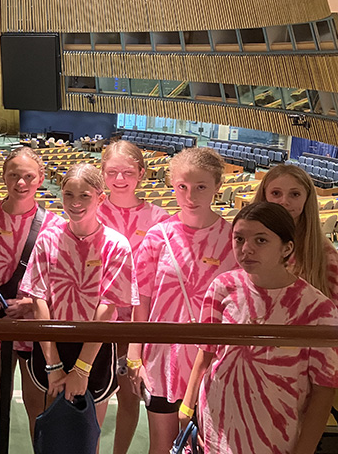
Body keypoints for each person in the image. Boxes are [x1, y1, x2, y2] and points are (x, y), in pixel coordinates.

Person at [180, 202, 338, 454]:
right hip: (216, 422)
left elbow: (323, 390)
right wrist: (187, 406)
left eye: (261, 240)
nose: (246, 249)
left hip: (275, 431)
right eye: (239, 238)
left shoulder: (317, 309)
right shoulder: (222, 287)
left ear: (287, 248)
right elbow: (207, 353)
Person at [128, 147, 238, 454]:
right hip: (162, 360)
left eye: (201, 187)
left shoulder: (233, 240)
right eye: (182, 187)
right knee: (161, 446)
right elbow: (143, 298)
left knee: (205, 447)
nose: (190, 196)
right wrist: (134, 355)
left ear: (217, 186)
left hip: (211, 362)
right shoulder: (157, 236)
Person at [23, 163, 134, 450]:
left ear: (100, 196)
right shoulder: (47, 239)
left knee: (86, 436)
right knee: (51, 434)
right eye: (68, 194)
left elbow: (107, 307)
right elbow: (39, 300)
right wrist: (54, 365)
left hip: (94, 349)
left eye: (84, 195)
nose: (75, 203)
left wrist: (82, 370)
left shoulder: (116, 245)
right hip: (52, 345)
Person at [0, 147, 66, 452]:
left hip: (35, 324)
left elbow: (58, 280)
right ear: (4, 176)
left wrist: (31, 304)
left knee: (38, 401)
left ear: (40, 179)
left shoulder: (56, 226)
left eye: (28, 176)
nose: (20, 183)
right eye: (14, 175)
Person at [97, 140, 169, 454]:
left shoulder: (159, 217)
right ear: (102, 174)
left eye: (128, 171)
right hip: (97, 321)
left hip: (136, 325)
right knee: (93, 397)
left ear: (141, 173)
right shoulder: (90, 209)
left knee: (129, 398)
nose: (120, 178)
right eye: (112, 172)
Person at [252, 164, 338, 303]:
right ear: (264, 196)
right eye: (276, 193)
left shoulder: (326, 256)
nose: (284, 201)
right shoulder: (245, 245)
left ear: (306, 199)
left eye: (295, 194)